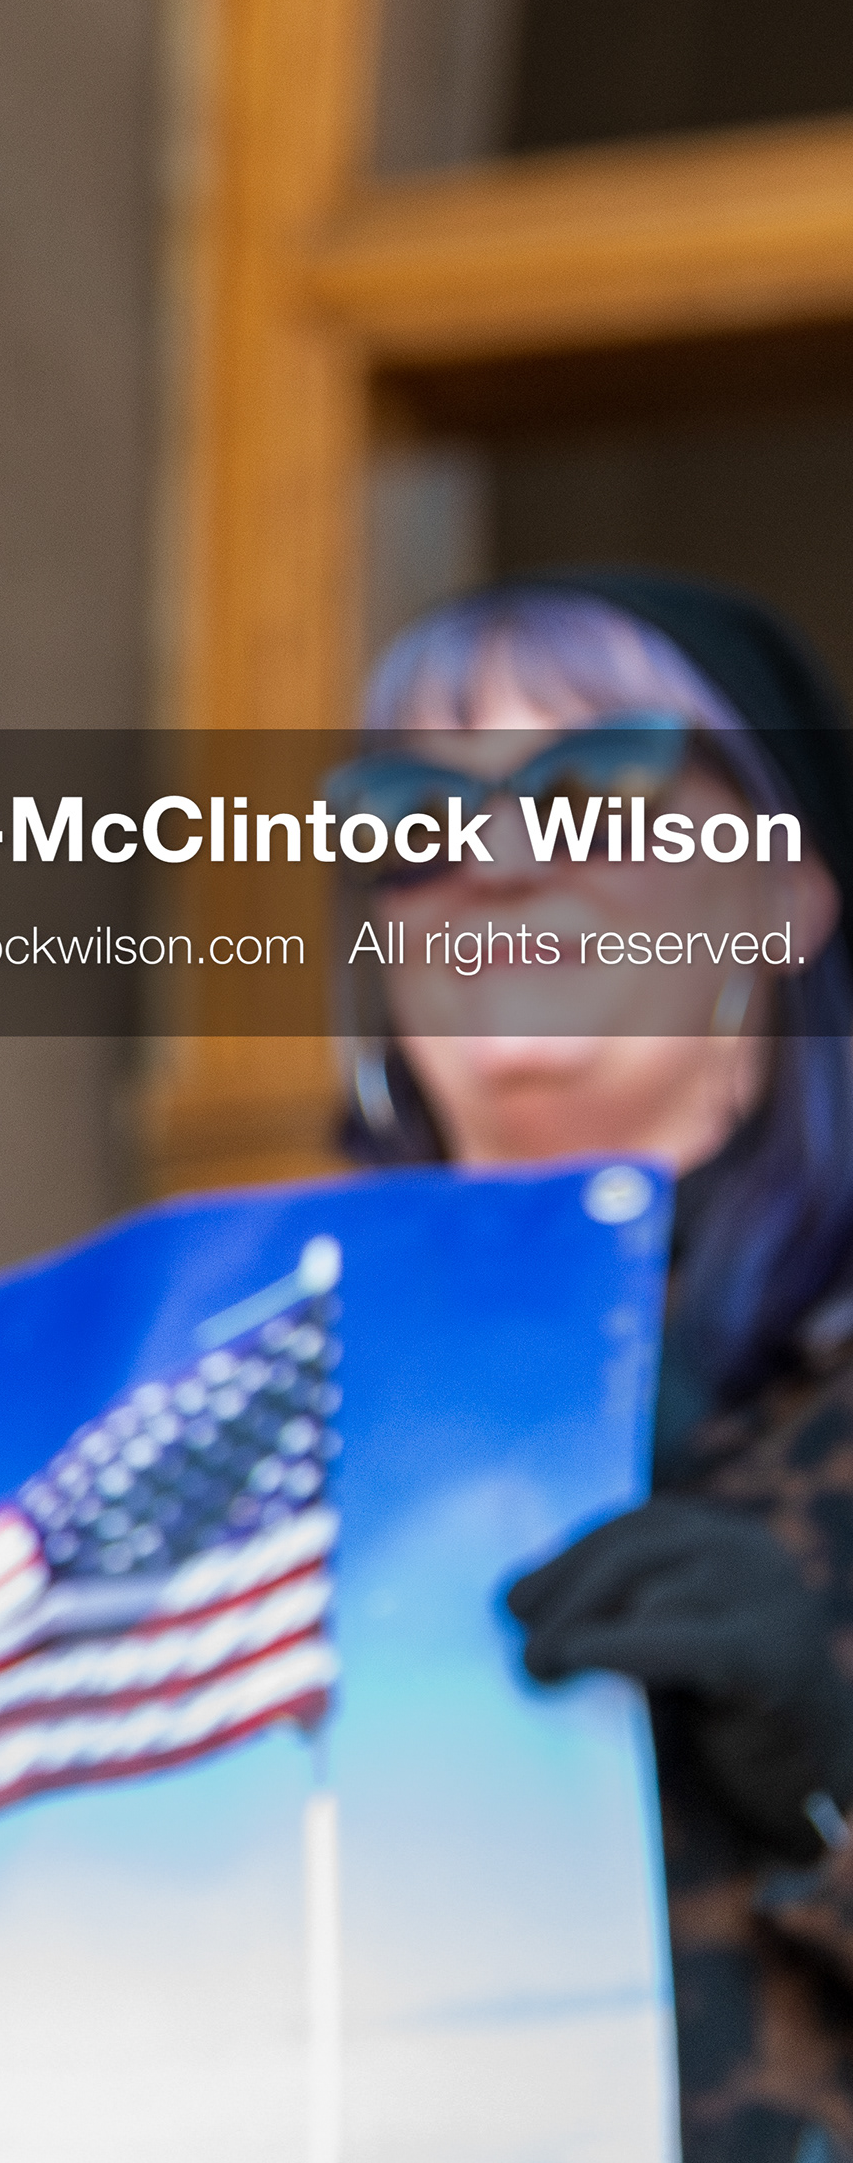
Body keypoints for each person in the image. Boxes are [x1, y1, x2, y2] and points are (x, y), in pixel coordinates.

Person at [341, 570, 853, 2163]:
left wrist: (825, 1787)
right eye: (410, 818)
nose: (490, 863)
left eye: (596, 788)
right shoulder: (212, 1400)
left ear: (788, 894)